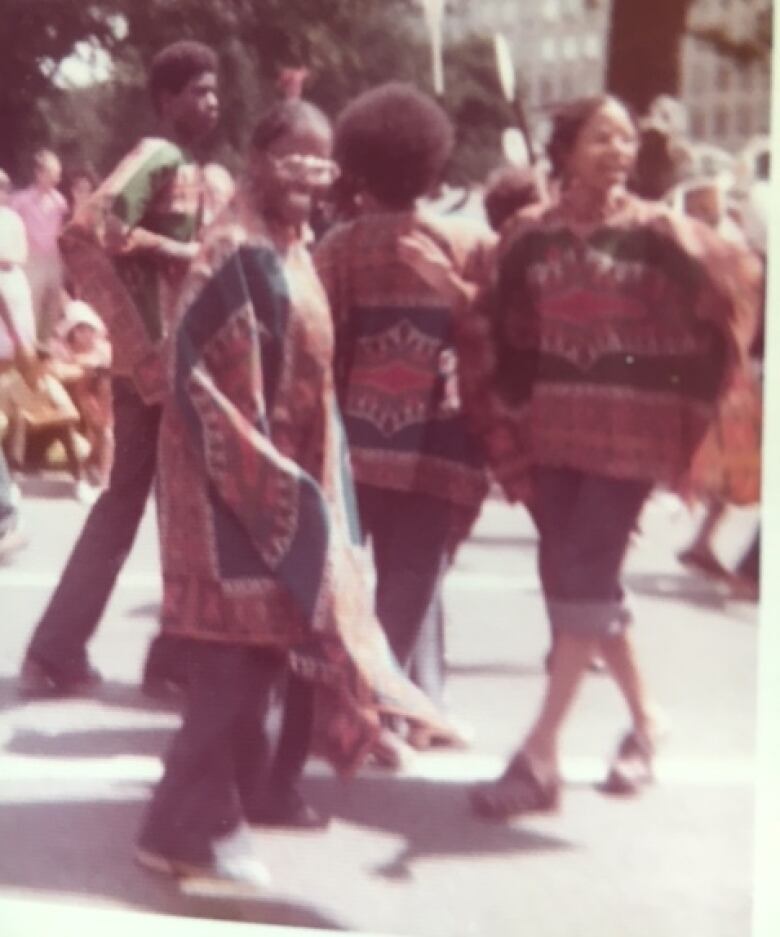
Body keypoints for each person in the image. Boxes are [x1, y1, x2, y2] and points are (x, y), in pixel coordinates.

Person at [402, 94, 757, 817]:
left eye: (627, 139)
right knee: (574, 585)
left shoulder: (662, 233)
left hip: (631, 440)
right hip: (554, 437)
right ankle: (649, 720)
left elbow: (737, 280)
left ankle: (539, 758)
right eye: (603, 138)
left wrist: (686, 379)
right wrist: (456, 295)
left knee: (585, 576)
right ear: (564, 151)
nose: (619, 151)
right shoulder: (530, 235)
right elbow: (496, 318)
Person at [135, 99, 455, 888]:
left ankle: (218, 812)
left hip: (272, 491)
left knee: (258, 663)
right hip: (226, 499)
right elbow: (200, 380)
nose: (311, 174)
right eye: (295, 157)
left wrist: (321, 482)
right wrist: (275, 486)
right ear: (257, 155)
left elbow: (309, 374)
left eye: (323, 161)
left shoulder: (291, 246)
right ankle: (179, 828)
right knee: (231, 669)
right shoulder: (233, 250)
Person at [19, 40, 222, 697]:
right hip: (153, 367)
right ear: (167, 100)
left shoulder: (187, 163)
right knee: (164, 509)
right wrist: (183, 252)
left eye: (215, 91)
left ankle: (101, 650)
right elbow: (91, 226)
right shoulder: (159, 155)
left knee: (157, 507)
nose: (211, 102)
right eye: (198, 91)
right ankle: (111, 652)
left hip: (167, 364)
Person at [314, 83, 494, 746]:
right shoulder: (471, 242)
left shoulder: (338, 246)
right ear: (433, 162)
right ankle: (376, 711)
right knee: (417, 572)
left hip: (355, 441)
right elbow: (504, 328)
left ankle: (417, 704)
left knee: (389, 579)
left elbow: (318, 343)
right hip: (443, 440)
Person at [10, 149, 68, 342]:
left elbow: (62, 231)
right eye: (52, 173)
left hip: (53, 259)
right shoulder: (20, 200)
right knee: (30, 305)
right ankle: (26, 350)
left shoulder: (60, 202)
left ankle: (44, 349)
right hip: (31, 259)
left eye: (58, 174)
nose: (56, 179)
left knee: (51, 306)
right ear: (39, 173)